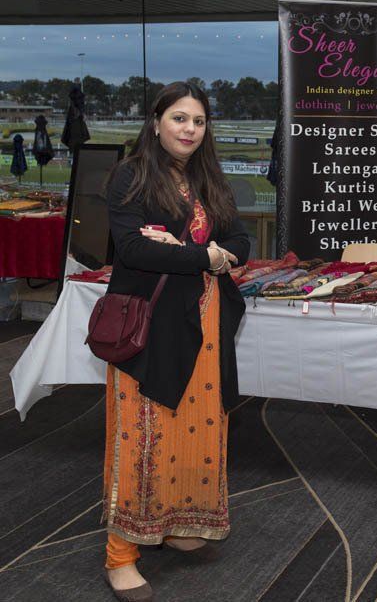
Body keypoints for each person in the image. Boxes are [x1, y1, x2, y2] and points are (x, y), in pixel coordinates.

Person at [100, 81, 250, 602]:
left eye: (199, 121)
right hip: (151, 329)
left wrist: (193, 249)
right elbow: (132, 250)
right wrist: (204, 256)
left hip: (205, 327)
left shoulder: (207, 178)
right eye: (179, 118)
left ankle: (180, 522)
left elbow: (241, 241)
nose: (189, 129)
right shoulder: (131, 175)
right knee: (144, 436)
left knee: (199, 427)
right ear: (157, 121)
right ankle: (122, 554)